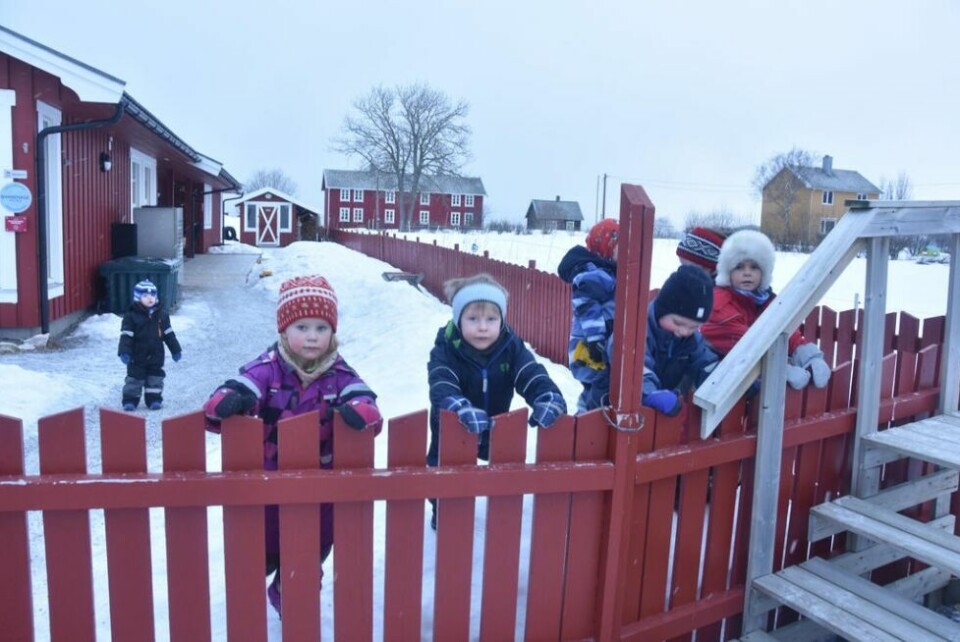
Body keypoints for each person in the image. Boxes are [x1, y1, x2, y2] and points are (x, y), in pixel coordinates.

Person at [202, 275, 382, 616]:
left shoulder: (340, 373)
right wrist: (228, 400)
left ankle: (293, 605)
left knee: (306, 557)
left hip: (320, 489)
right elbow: (241, 387)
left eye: (321, 327)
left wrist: (363, 412)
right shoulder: (268, 369)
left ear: (333, 331)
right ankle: (254, 598)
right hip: (269, 486)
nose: (312, 336)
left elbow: (365, 401)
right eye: (302, 327)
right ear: (284, 330)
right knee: (262, 553)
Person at [427, 273, 567, 527]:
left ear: (502, 319)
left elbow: (529, 373)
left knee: (505, 469)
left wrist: (547, 394)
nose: (483, 327)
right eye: (473, 319)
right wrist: (457, 407)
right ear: (458, 319)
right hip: (453, 428)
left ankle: (504, 514)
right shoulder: (446, 350)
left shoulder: (511, 346)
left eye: (491, 319)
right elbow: (442, 382)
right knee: (445, 470)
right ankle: (444, 510)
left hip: (497, 424)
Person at [701, 229, 831, 389]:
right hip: (718, 386)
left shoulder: (766, 301)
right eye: (739, 267)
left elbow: (784, 332)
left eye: (754, 267)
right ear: (728, 271)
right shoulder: (719, 303)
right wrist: (779, 370)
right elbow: (744, 347)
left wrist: (807, 356)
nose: (747, 273)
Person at [557, 218, 619, 412]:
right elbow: (586, 305)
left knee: (595, 388)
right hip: (589, 345)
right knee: (598, 387)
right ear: (606, 247)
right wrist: (595, 337)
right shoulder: (595, 274)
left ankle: (583, 420)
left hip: (596, 343)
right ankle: (585, 421)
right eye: (620, 248)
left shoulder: (606, 272)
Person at [642, 265, 719, 416]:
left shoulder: (691, 339)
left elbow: (705, 363)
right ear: (661, 310)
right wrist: (649, 393)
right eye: (678, 323)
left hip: (662, 418)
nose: (684, 331)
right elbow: (634, 370)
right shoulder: (637, 333)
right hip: (609, 415)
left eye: (694, 327)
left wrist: (727, 382)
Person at [118, 279, 182, 411]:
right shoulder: (131, 316)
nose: (150, 298)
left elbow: (169, 334)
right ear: (138, 298)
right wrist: (124, 351)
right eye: (145, 296)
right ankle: (130, 400)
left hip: (156, 355)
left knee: (155, 378)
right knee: (134, 379)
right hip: (137, 355)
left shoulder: (162, 315)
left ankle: (154, 399)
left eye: (152, 295)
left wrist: (175, 350)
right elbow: (126, 336)